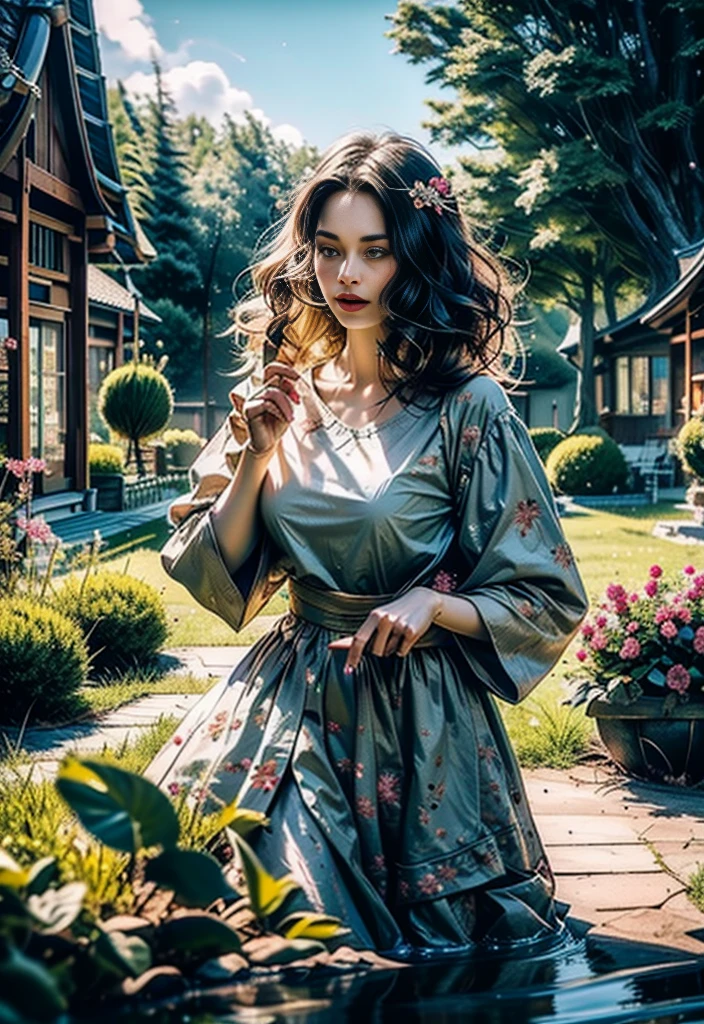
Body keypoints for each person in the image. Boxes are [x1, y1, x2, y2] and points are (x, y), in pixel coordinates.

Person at [148, 131, 589, 960]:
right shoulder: (278, 390)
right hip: (286, 692)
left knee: (380, 946)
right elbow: (218, 573)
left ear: (414, 259)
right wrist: (253, 456)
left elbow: (548, 593)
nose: (345, 276)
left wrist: (435, 603)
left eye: (374, 252)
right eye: (328, 250)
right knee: (230, 903)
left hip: (418, 716)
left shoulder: (468, 408)